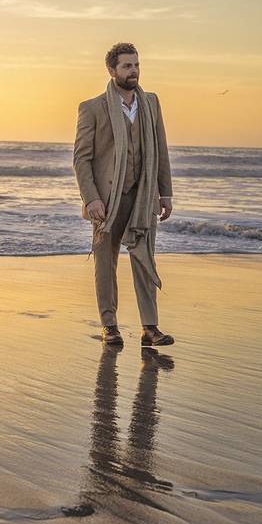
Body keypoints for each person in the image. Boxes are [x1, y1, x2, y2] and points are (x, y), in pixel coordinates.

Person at [72, 42, 174, 347]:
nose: (134, 71)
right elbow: (81, 158)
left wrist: (165, 193)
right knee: (106, 263)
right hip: (107, 201)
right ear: (112, 70)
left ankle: (150, 328)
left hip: (142, 197)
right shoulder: (92, 108)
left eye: (137, 65)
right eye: (127, 66)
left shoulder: (151, 104)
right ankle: (110, 326)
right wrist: (91, 198)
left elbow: (162, 151)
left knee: (144, 260)